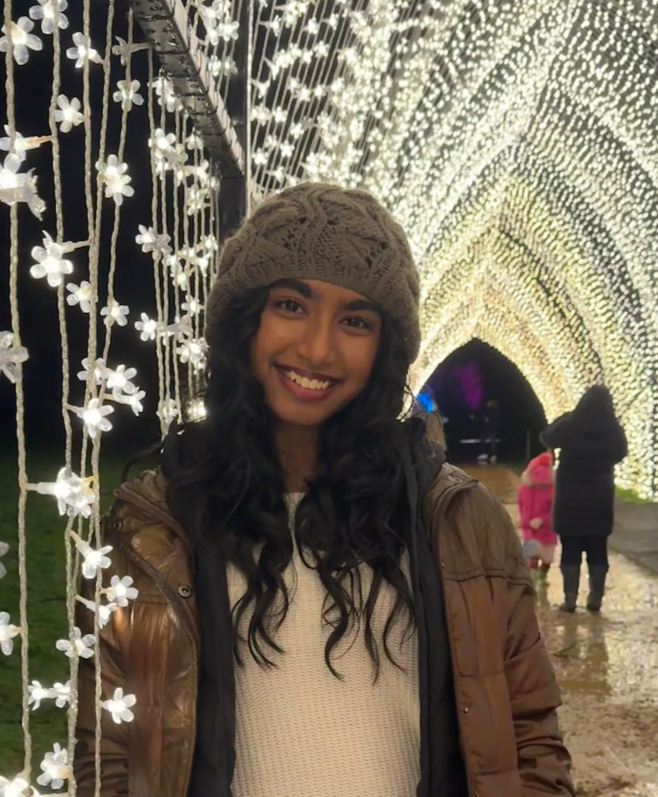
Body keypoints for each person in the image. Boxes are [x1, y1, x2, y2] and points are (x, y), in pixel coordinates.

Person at [74, 183, 575, 797]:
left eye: (355, 321)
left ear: (384, 348)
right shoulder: (156, 528)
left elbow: (529, 738)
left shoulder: (457, 520)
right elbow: (109, 748)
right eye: (291, 305)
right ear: (245, 320)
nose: (317, 347)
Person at [541, 386, 627, 613]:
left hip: (570, 499)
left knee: (570, 548)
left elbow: (546, 437)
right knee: (598, 548)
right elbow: (621, 452)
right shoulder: (612, 427)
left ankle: (570, 600)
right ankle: (595, 598)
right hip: (600, 498)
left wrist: (564, 419)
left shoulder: (570, 423)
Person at [518, 452, 558, 589]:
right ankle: (533, 581)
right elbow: (522, 508)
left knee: (547, 558)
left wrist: (543, 520)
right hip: (531, 530)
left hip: (548, 530)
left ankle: (542, 575)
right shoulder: (524, 488)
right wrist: (526, 524)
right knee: (532, 555)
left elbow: (555, 510)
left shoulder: (553, 489)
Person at [478, 398, 500, 464]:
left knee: (492, 442)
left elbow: (493, 420)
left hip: (492, 428)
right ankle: (484, 453)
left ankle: (494, 455)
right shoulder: (488, 410)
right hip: (487, 428)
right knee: (483, 439)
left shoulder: (494, 410)